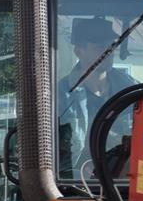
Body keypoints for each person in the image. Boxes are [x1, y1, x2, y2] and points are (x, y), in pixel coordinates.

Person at [57, 16, 137, 179]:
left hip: (125, 177)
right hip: (78, 182)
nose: (109, 52)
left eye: (112, 46)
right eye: (100, 47)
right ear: (79, 50)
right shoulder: (62, 93)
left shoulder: (131, 88)